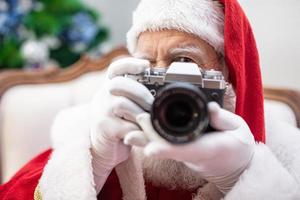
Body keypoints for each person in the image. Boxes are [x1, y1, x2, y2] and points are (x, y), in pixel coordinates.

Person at [1, 0, 300, 199]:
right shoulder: (92, 136)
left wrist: (242, 177)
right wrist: (93, 163)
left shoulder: (286, 159)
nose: (164, 84)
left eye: (184, 60)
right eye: (146, 65)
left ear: (230, 77)